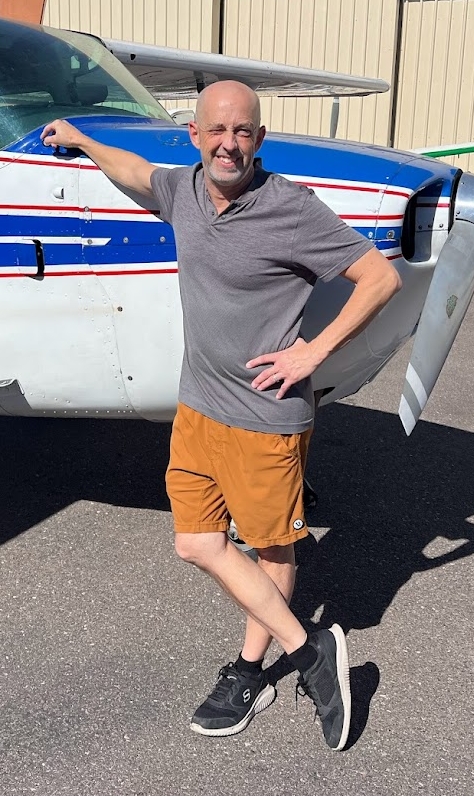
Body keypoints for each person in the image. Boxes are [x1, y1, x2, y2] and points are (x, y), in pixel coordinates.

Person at [41, 81, 401, 750]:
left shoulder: (291, 208)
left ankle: (250, 668)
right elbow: (139, 175)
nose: (230, 143)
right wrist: (87, 142)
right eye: (218, 131)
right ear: (196, 136)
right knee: (196, 542)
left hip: (266, 419)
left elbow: (380, 277)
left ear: (258, 140)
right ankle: (310, 648)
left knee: (271, 547)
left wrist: (313, 351)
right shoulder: (183, 189)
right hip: (198, 407)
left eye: (244, 132)